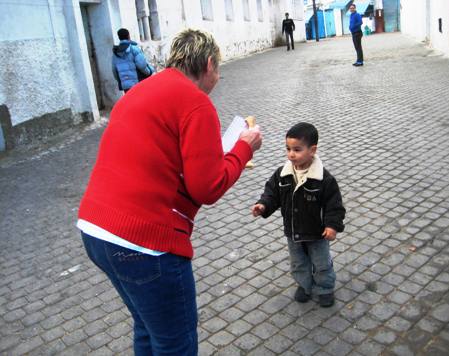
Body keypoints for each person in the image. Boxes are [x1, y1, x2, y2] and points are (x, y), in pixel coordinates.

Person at [78, 28, 262, 355]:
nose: (218, 78)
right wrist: (244, 149)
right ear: (207, 64)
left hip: (95, 229)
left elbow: (162, 158)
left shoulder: (138, 91)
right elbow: (206, 187)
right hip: (144, 243)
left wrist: (218, 157)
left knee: (149, 329)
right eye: (218, 70)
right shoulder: (196, 103)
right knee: (176, 343)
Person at [251, 122, 345, 307]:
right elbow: (272, 193)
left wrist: (332, 226)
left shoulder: (324, 179)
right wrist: (263, 205)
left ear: (312, 150)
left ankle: (325, 288)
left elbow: (334, 206)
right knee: (298, 263)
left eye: (297, 149)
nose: (291, 154)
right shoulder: (282, 174)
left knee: (321, 263)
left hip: (317, 234)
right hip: (293, 232)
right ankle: (304, 285)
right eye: (288, 149)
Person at [112, 28, 155, 93]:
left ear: (119, 38)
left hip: (126, 86)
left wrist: (122, 81)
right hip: (137, 83)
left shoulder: (115, 53)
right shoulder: (133, 49)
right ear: (128, 36)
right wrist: (149, 72)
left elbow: (114, 71)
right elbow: (142, 65)